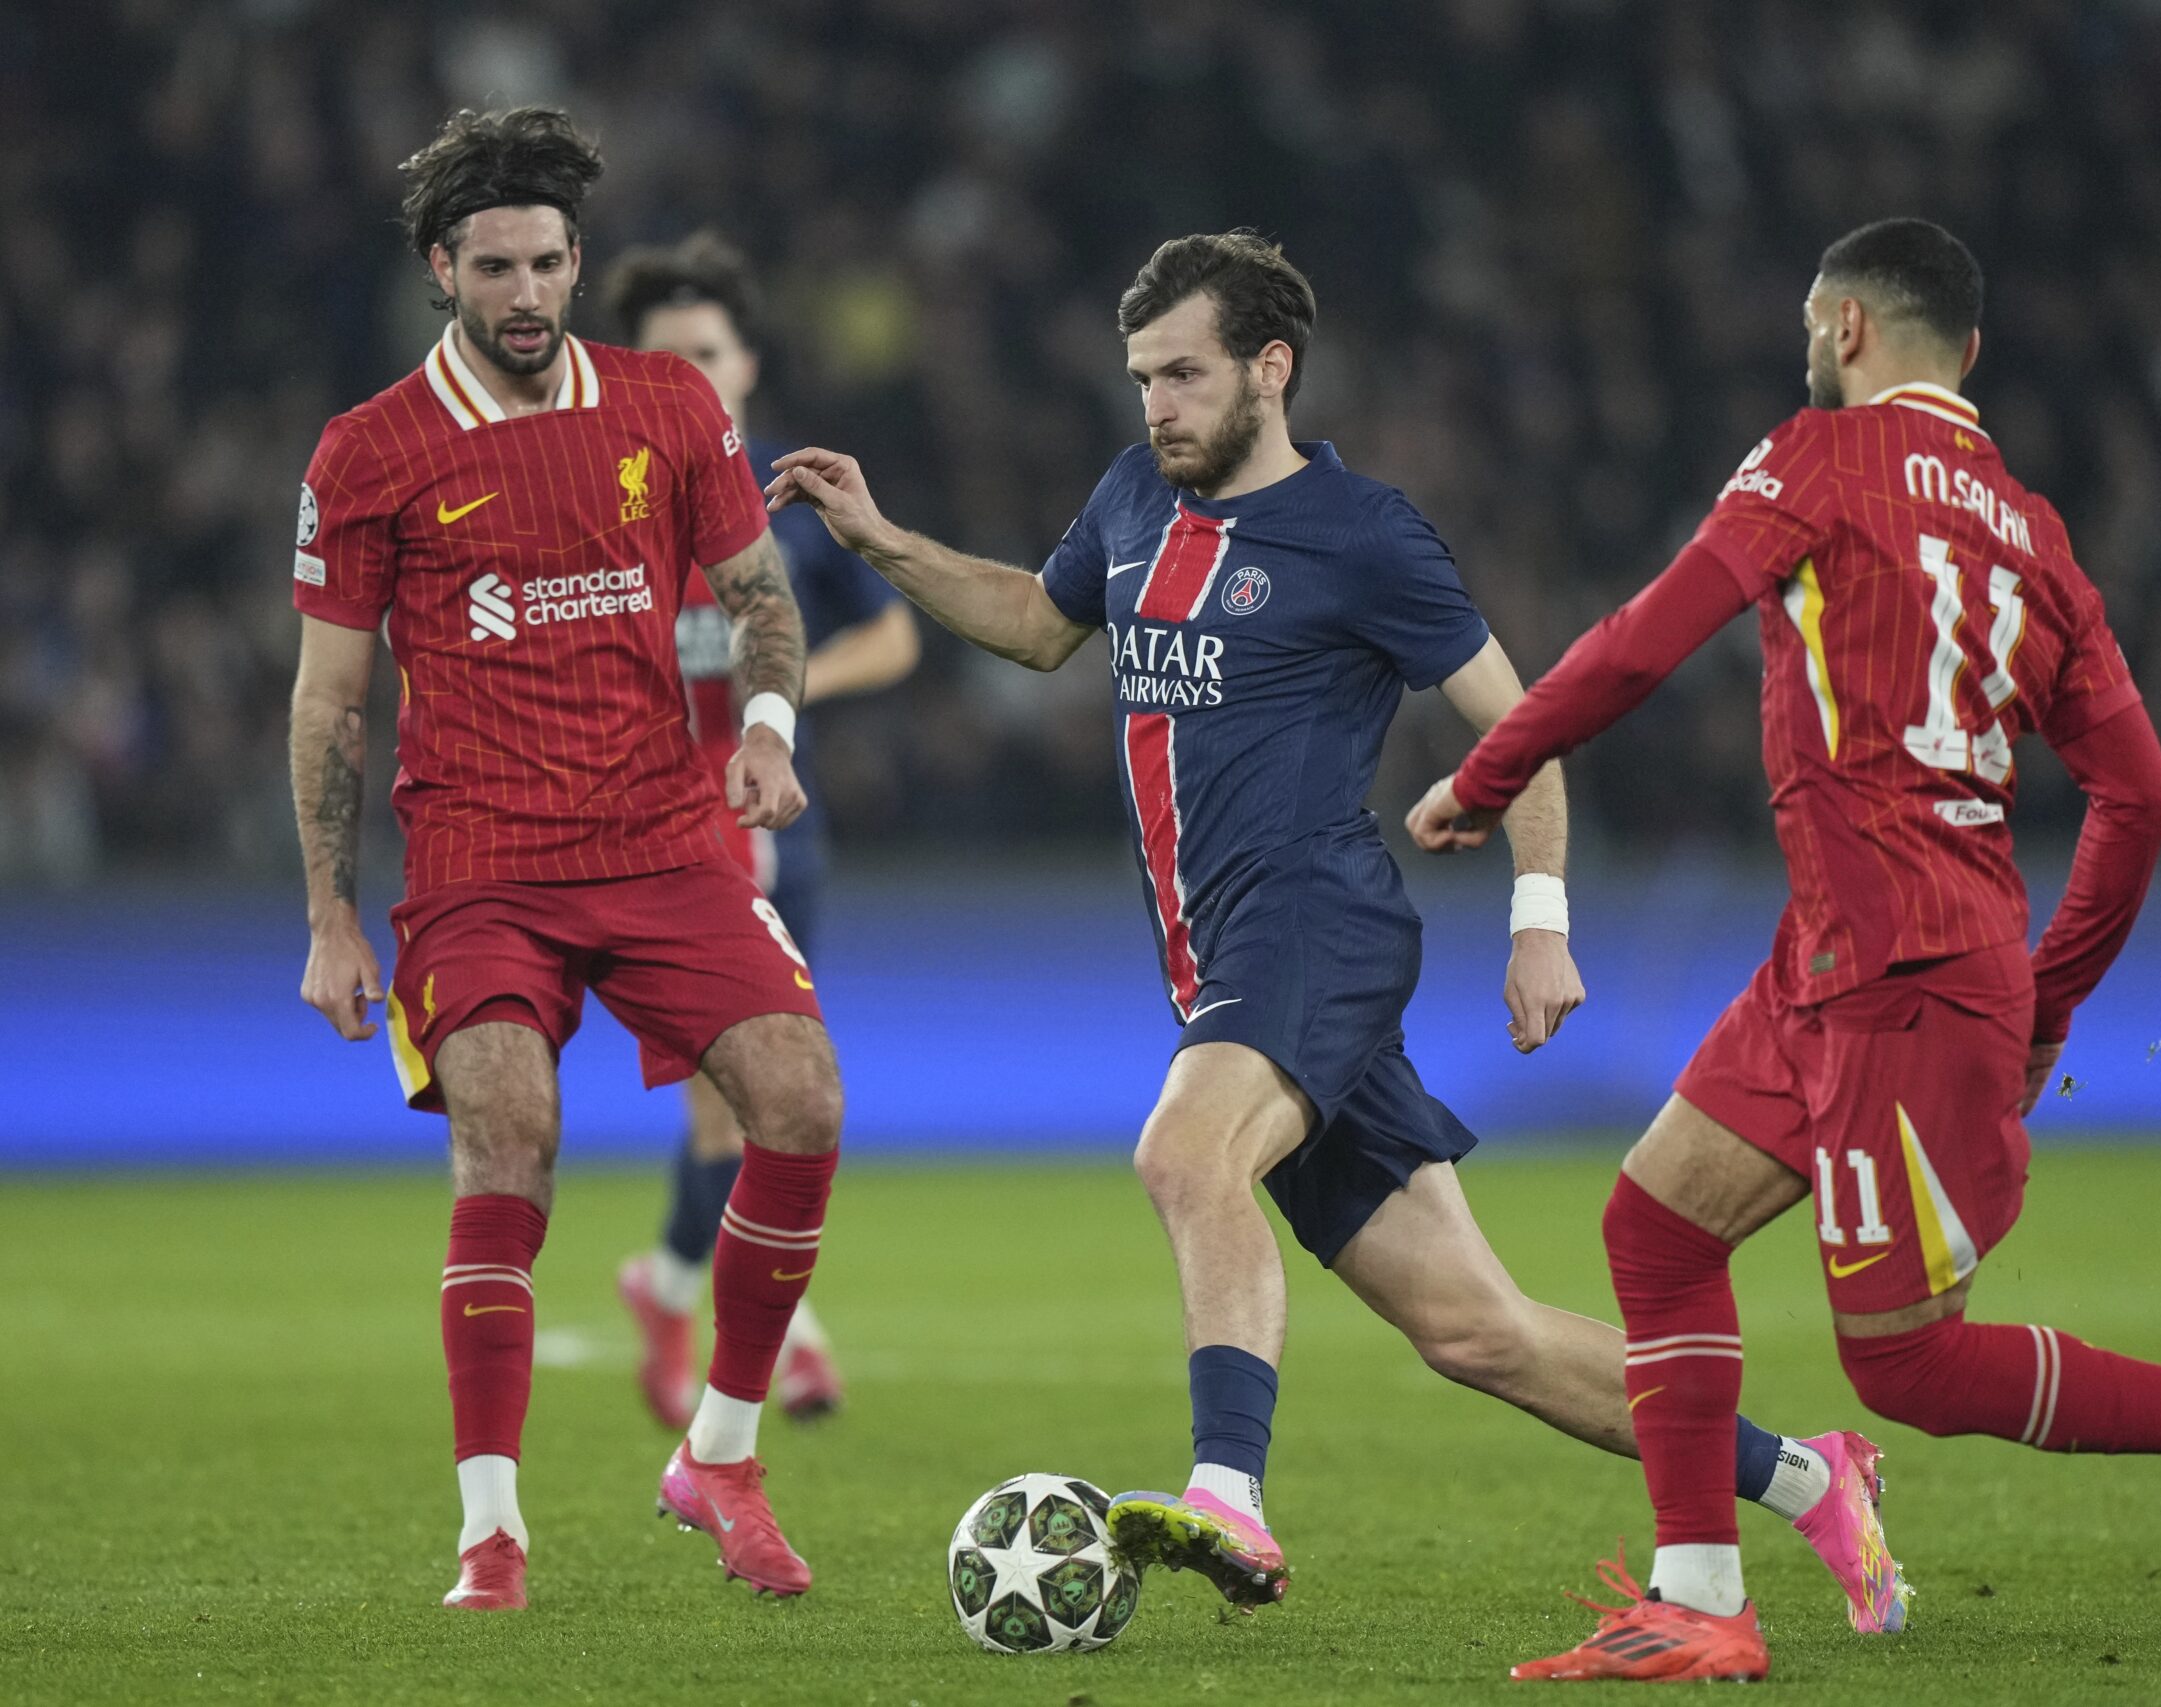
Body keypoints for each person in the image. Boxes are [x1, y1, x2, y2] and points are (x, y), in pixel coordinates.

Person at [767, 231, 1908, 1631]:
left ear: (1271, 368)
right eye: (1142, 378)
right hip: (1221, 966)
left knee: (1184, 1154)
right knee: (1480, 1331)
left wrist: (1538, 919)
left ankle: (1228, 1493)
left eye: (1184, 375)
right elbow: (1038, 621)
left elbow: (1525, 727)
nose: (1156, 405)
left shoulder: (1365, 534)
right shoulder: (1131, 495)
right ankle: (1813, 1478)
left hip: (1317, 927)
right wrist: (884, 542)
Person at [1407, 217, 2161, 1684]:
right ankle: (1699, 1596)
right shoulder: (2033, 533)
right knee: (1656, 1227)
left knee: (1908, 1360)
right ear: (1966, 351)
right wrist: (2047, 1002)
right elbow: (2143, 795)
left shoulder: (1817, 458)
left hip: (1903, 976)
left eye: (1812, 319)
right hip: (1846, 957)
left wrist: (1486, 775)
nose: (1809, 342)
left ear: (1846, 327)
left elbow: (1645, 639)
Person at [288, 107, 845, 1611]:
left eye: (546, 264)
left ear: (578, 259)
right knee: (510, 1134)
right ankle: (492, 1532)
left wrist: (770, 730)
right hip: (480, 859)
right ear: (441, 271)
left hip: (665, 838)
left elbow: (760, 595)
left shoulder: (668, 403)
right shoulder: (369, 450)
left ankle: (719, 1458)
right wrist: (331, 914)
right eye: (495, 269)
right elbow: (332, 700)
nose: (526, 294)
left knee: (802, 1098)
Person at [601, 231, 920, 1431]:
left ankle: (667, 1284)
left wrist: (780, 697)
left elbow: (893, 636)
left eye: (706, 352)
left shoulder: (786, 503)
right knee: (730, 1113)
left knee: (771, 1104)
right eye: (663, 357)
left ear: (745, 365)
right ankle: (787, 1339)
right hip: (659, 846)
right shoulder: (603, 505)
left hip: (783, 832)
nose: (688, 374)